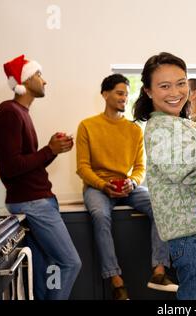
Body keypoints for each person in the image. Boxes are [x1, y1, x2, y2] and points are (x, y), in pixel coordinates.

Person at [76, 74, 177, 300]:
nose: (124, 98)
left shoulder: (134, 130)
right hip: (98, 187)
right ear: (105, 94)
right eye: (120, 93)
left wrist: (132, 182)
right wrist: (103, 185)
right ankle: (115, 279)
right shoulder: (87, 126)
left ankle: (159, 271)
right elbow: (82, 167)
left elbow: (141, 167)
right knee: (100, 215)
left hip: (128, 187)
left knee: (160, 205)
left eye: (126, 94)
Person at [0, 54, 81, 300]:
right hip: (33, 202)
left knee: (41, 270)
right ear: (26, 80)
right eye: (39, 75)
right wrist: (49, 150)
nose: (44, 81)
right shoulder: (9, 112)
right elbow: (11, 167)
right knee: (70, 263)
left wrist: (54, 150)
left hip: (33, 200)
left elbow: (27, 165)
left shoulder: (19, 112)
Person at [133, 52, 196, 300]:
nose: (175, 92)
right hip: (192, 237)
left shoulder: (180, 123)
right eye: (164, 86)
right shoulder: (161, 129)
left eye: (181, 83)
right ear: (148, 91)